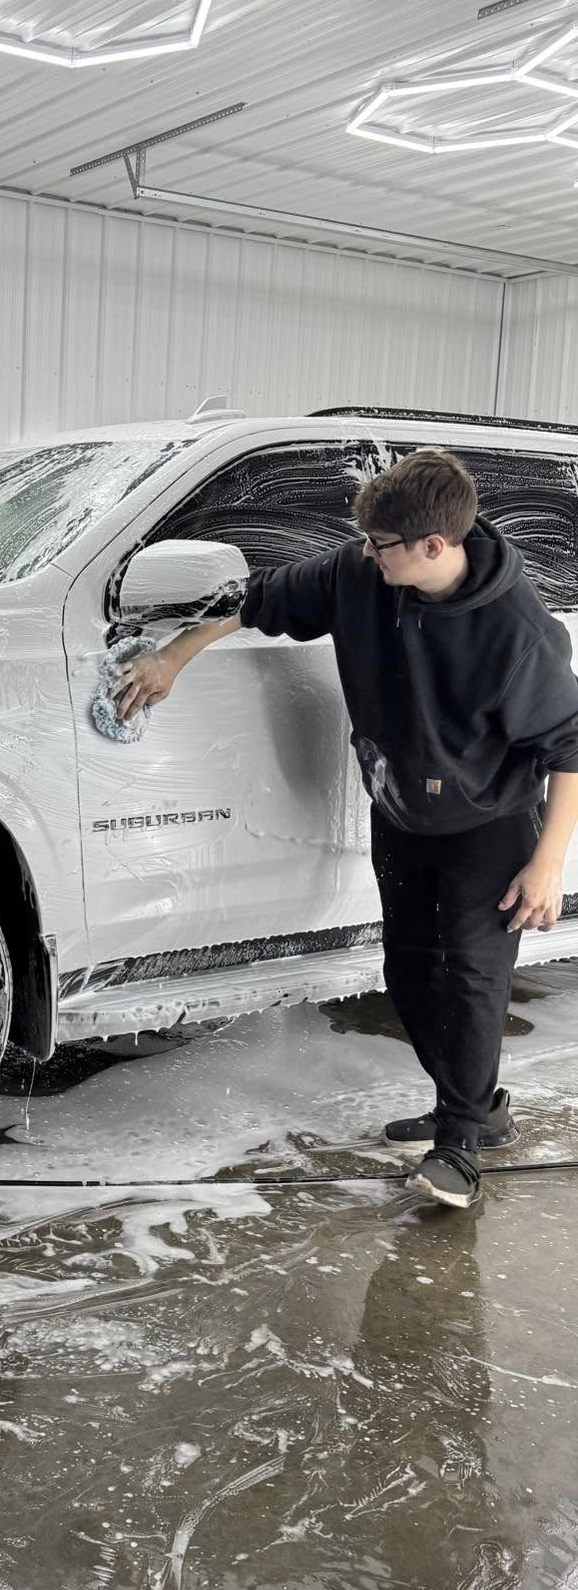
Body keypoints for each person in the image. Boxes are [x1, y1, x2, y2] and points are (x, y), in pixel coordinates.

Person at [115, 449, 578, 1210]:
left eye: (381, 543)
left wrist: (547, 863)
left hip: (489, 827)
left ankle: (458, 1147)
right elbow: (258, 599)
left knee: (469, 981)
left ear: (435, 546)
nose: (365, 552)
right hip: (401, 812)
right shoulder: (362, 574)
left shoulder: (515, 632)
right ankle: (478, 1109)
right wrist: (174, 656)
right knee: (408, 969)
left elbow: (568, 746)